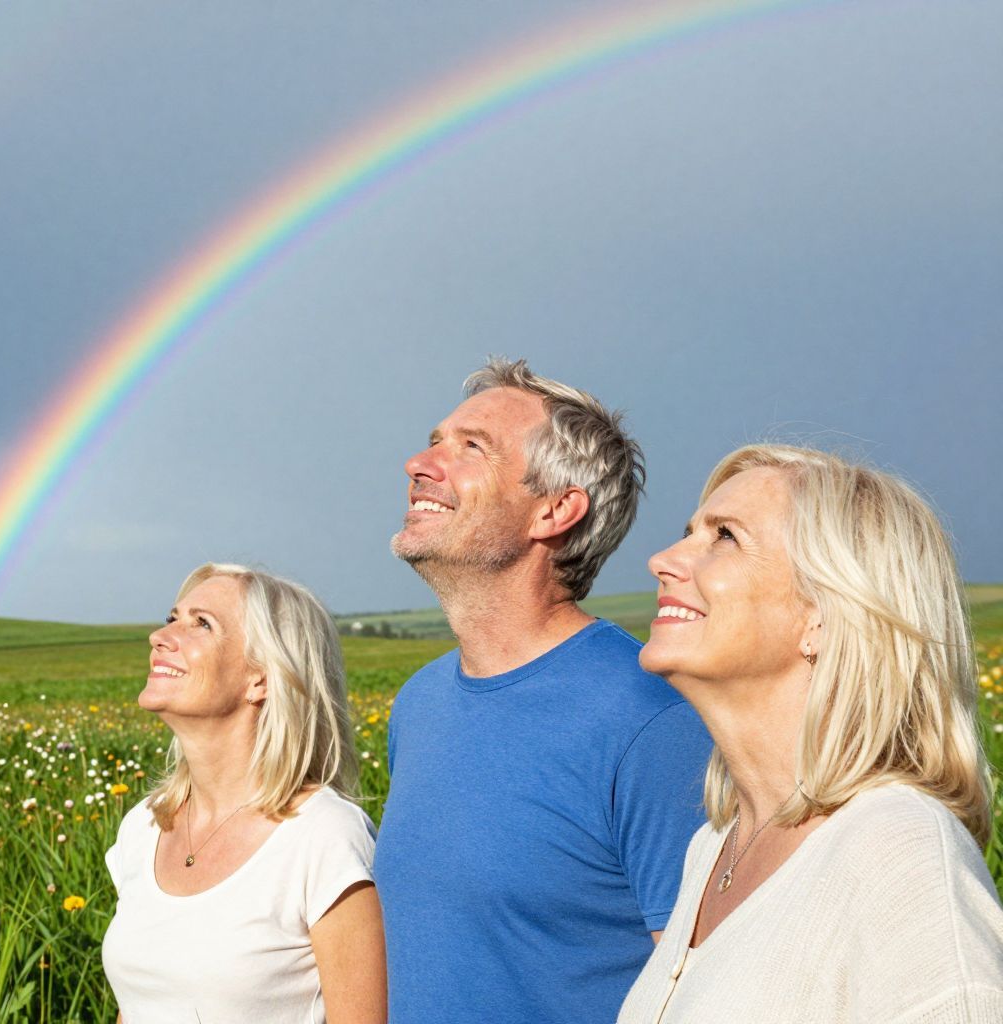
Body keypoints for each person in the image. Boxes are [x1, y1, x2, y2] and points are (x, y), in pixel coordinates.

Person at [374, 357, 714, 1024]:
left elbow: (703, 989)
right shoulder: (418, 705)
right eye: (436, 438)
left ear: (556, 510)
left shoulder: (653, 718)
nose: (420, 463)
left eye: (472, 446)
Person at [618, 444, 1003, 1022]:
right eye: (690, 531)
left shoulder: (901, 851)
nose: (663, 560)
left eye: (725, 537)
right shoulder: (714, 847)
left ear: (823, 614)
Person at [102, 563, 386, 1024]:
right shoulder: (144, 827)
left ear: (262, 677)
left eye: (202, 624)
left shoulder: (325, 836)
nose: (161, 635)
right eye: (172, 617)